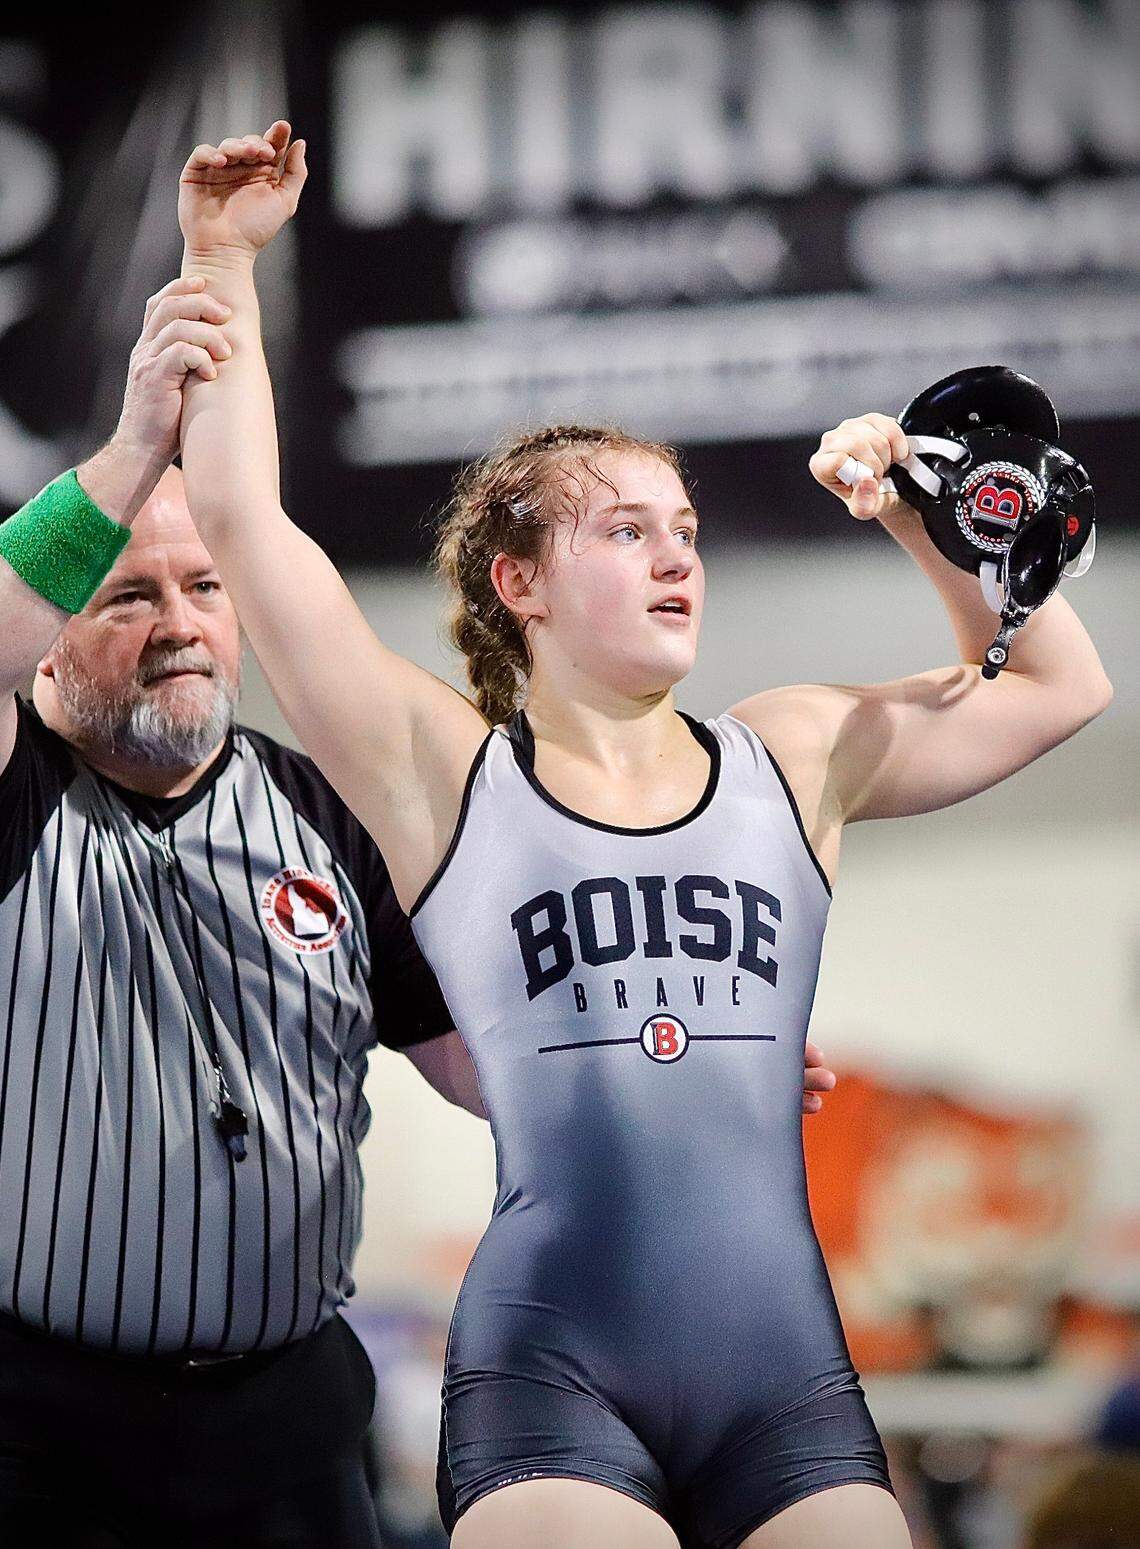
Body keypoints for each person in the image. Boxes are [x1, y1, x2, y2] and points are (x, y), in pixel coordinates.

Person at [175, 123, 1112, 1549]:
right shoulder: (446, 773)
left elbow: (1063, 686)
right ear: (520, 581)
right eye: (624, 532)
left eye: (683, 528)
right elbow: (243, 518)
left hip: (785, 1383)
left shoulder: (794, 750)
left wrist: (925, 518)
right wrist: (224, 259)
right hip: (554, 1379)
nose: (678, 553)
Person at [0, 274, 837, 1549]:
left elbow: (475, 1052)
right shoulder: (16, 784)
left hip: (283, 1423)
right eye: (130, 596)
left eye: (208, 591)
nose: (183, 626)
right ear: (54, 633)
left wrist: (671, 1053)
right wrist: (130, 456)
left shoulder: (328, 811)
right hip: (36, 1424)